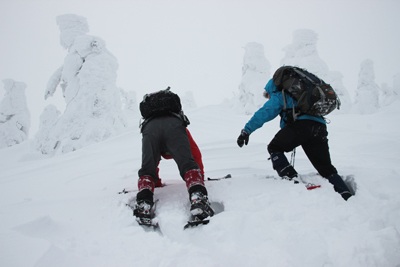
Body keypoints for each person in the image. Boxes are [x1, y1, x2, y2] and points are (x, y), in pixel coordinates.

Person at [236, 69, 352, 201]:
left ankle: (291, 179)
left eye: (268, 97)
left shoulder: (279, 94)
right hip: (319, 128)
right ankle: (347, 195)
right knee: (326, 168)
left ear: (270, 91)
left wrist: (246, 131)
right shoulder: (300, 95)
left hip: (301, 126)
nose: (269, 99)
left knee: (275, 147)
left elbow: (264, 113)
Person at [134, 88, 214, 224]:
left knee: (147, 169)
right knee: (188, 164)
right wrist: (199, 178)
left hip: (149, 128)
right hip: (174, 126)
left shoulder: (151, 123)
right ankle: (198, 198)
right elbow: (195, 155)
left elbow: (153, 162)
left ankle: (144, 204)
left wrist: (156, 183)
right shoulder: (178, 125)